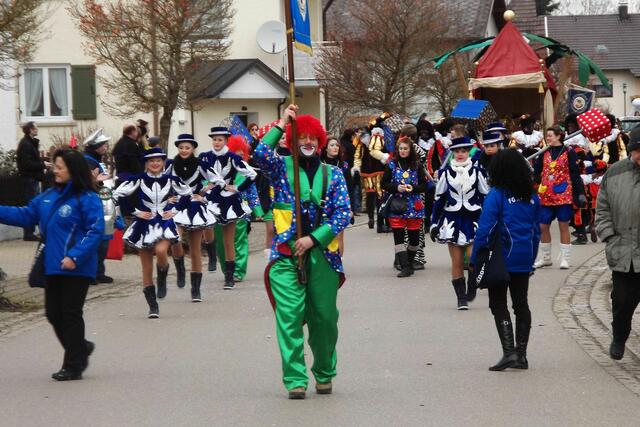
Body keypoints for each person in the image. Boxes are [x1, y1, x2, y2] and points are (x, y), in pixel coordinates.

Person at [255, 105, 350, 399]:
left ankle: (324, 371)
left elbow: (343, 213)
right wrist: (282, 123)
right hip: (285, 255)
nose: (307, 142)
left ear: (320, 142)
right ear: (293, 141)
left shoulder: (333, 174)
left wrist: (314, 239)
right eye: (302, 137)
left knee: (324, 319)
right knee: (289, 317)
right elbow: (259, 154)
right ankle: (295, 378)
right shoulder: (280, 168)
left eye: (312, 138)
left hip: (323, 256)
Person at [0, 149, 104, 380]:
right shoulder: (48, 196)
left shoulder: (87, 198)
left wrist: (74, 256)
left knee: (70, 314)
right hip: (52, 264)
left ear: (72, 170)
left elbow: (94, 231)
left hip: (77, 267)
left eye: (59, 167)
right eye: (54, 166)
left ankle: (74, 365)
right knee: (53, 314)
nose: (54, 170)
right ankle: (81, 347)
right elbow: (25, 215)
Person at [471, 149, 541, 371]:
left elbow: (485, 229)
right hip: (524, 256)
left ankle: (509, 352)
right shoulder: (531, 196)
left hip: (501, 257)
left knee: (498, 303)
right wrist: (531, 258)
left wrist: (475, 258)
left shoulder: (497, 195)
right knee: (521, 304)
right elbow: (536, 231)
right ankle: (522, 355)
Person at [113, 148, 192, 318]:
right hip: (143, 224)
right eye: (151, 161)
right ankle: (153, 306)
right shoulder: (138, 179)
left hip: (164, 222)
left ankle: (162, 275)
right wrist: (135, 212)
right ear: (146, 163)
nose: (155, 163)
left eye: (158, 160)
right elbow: (117, 194)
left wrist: (175, 210)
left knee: (161, 251)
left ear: (163, 162)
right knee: (146, 268)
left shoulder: (171, 180)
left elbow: (187, 194)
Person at [595, 128, 640, 360]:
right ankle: (619, 337)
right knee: (622, 302)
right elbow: (602, 208)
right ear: (631, 150)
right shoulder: (615, 173)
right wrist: (608, 235)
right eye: (638, 151)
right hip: (623, 251)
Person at [430, 136, 489, 310]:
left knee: (473, 258)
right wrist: (433, 223)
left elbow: (485, 198)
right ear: (453, 153)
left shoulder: (478, 172)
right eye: (457, 151)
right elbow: (439, 200)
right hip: (452, 220)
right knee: (456, 262)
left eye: (464, 151)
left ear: (468, 152)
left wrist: (491, 220)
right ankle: (461, 298)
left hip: (474, 219)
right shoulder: (445, 173)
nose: (461, 154)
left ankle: (472, 284)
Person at [200, 126, 257, 289]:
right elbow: (198, 175)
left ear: (226, 141)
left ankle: (230, 277)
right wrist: (203, 188)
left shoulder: (233, 158)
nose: (216, 142)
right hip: (212, 199)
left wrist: (238, 188)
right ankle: (211, 253)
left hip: (228, 200)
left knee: (228, 240)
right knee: (207, 226)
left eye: (220, 140)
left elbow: (252, 174)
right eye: (214, 139)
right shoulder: (205, 157)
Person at [165, 134, 215, 302]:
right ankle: (180, 267)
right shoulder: (170, 165)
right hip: (177, 206)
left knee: (195, 249)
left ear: (193, 149)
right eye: (181, 148)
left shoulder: (201, 164)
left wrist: (204, 196)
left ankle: (195, 289)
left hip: (194, 206)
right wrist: (167, 198)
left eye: (187, 148)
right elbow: (161, 182)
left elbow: (217, 181)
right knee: (174, 239)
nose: (184, 150)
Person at [533, 126, 586, 270]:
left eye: (550, 135)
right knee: (543, 226)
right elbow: (537, 171)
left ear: (558, 136)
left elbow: (575, 174)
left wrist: (580, 192)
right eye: (547, 136)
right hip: (545, 195)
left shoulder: (569, 152)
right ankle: (546, 258)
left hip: (563, 194)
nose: (547, 138)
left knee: (563, 225)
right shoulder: (544, 152)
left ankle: (565, 259)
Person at [214, 136, 264, 281]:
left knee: (239, 240)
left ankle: (238, 271)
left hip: (240, 211)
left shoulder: (245, 170)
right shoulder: (218, 169)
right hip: (220, 210)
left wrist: (258, 211)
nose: (240, 154)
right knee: (221, 241)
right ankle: (227, 269)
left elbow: (252, 192)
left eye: (242, 152)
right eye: (237, 152)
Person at [381, 137, 427, 277]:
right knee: (399, 239)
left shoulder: (417, 165)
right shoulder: (392, 164)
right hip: (397, 205)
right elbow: (384, 183)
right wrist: (396, 187)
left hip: (414, 206)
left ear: (410, 150)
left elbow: (424, 186)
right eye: (400, 148)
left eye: (405, 149)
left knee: (414, 240)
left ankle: (410, 263)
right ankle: (405, 267)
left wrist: (413, 188)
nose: (403, 151)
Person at [83, 129, 118, 284]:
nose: (106, 147)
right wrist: (96, 181)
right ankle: (91, 273)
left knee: (103, 241)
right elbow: (88, 183)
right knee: (97, 241)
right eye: (103, 144)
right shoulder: (88, 161)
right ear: (95, 146)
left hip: (104, 205)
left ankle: (98, 272)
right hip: (95, 206)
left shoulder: (96, 160)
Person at [16, 121, 51, 241]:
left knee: (33, 204)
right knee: (31, 205)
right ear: (31, 130)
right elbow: (27, 163)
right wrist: (43, 164)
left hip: (32, 178)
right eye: (35, 128)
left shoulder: (29, 143)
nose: (37, 130)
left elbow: (32, 160)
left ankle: (30, 232)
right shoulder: (26, 144)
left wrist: (42, 162)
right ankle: (28, 233)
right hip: (29, 178)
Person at [354, 127, 386, 232]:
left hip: (370, 172)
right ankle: (378, 222)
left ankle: (373, 219)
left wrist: (357, 167)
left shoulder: (363, 144)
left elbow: (358, 156)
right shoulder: (379, 142)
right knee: (378, 196)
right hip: (375, 172)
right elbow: (358, 157)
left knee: (372, 195)